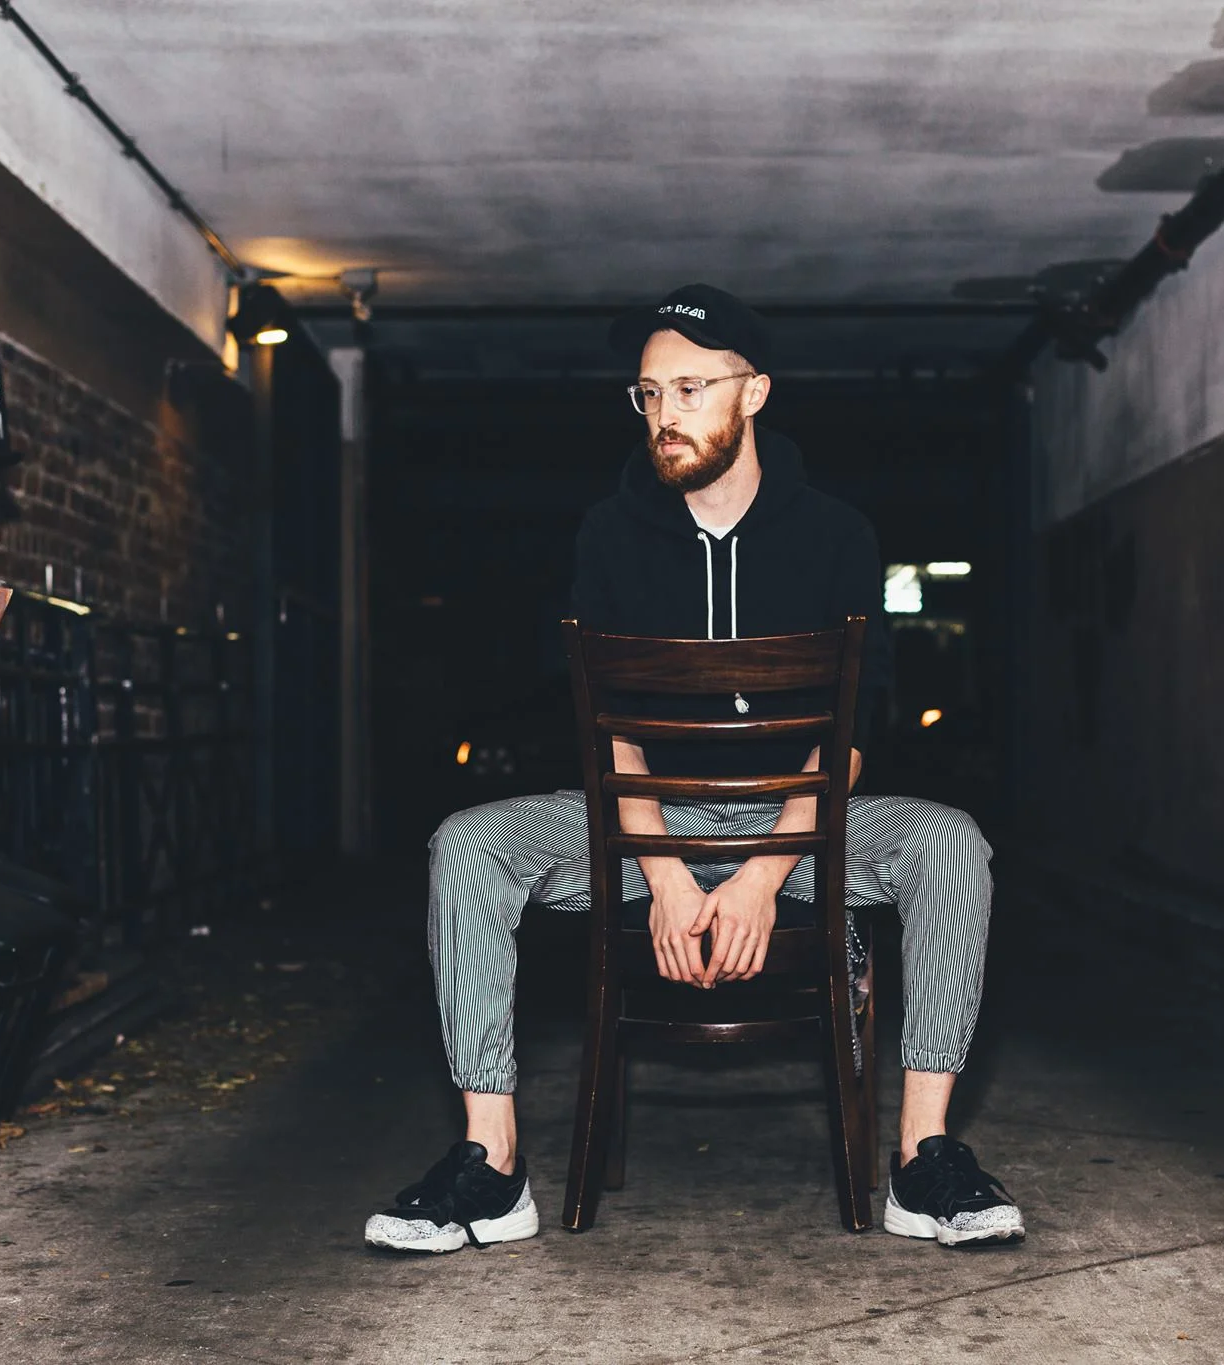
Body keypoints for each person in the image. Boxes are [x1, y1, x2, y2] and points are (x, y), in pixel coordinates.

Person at [365, 284, 1019, 1253]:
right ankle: (491, 1167)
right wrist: (667, 875)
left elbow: (845, 737)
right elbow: (610, 730)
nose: (664, 414)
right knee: (465, 843)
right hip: (646, 819)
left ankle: (924, 1160)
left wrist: (760, 877)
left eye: (689, 389)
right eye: (648, 393)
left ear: (753, 393)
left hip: (799, 824)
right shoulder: (610, 533)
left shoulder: (836, 535)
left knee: (950, 842)